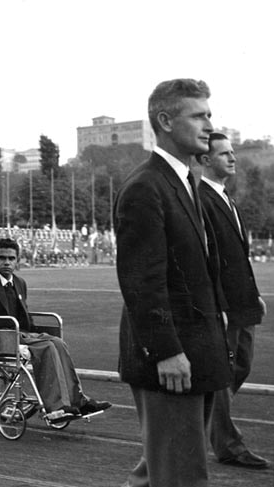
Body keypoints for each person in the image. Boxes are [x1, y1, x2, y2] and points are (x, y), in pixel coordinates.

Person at [115, 79, 231, 487]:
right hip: (171, 359)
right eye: (198, 115)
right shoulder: (146, 186)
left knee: (159, 475)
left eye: (209, 115)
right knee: (181, 477)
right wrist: (165, 351)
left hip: (196, 350)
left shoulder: (184, 181)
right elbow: (141, 280)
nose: (209, 125)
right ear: (165, 120)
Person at [0, 237, 111, 421]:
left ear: (17, 260)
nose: (7, 262)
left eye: (11, 258)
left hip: (18, 333)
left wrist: (38, 333)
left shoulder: (19, 283)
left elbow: (23, 315)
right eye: (2, 258)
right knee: (46, 348)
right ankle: (56, 407)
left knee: (58, 343)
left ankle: (78, 400)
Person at [196, 132, 269, 469]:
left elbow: (237, 254)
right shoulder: (200, 200)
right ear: (205, 159)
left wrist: (252, 293)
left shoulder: (226, 198)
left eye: (232, 152)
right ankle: (228, 445)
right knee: (223, 374)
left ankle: (197, 420)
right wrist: (219, 305)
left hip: (242, 302)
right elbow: (206, 260)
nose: (233, 158)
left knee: (241, 366)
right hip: (224, 307)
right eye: (224, 153)